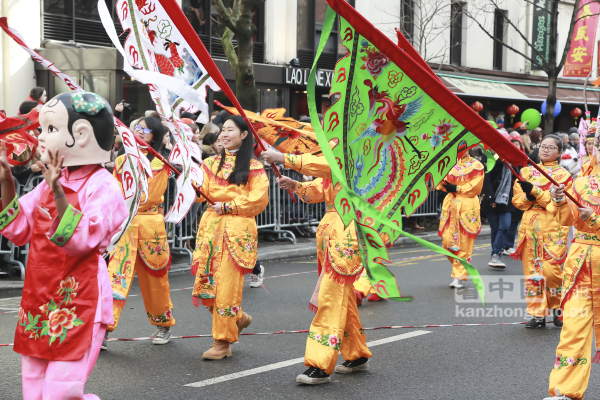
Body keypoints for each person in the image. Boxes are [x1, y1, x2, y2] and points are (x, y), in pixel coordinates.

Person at [0, 91, 127, 399]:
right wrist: (6, 181)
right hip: (40, 298)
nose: (41, 137)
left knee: (62, 390)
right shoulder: (47, 182)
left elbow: (83, 240)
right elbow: (18, 230)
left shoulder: (104, 185)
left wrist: (58, 192)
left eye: (51, 129)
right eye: (42, 129)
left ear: (81, 135)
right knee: (33, 386)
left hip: (81, 298)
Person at [262, 145, 372, 385]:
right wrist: (296, 185)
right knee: (341, 295)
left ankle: (320, 364)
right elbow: (323, 187)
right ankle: (356, 353)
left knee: (330, 296)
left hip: (348, 230)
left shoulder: (363, 151)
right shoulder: (343, 150)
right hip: (333, 230)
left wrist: (284, 157)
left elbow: (331, 167)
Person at [191, 115, 269, 360]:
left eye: (230, 130)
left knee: (226, 288)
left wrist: (227, 207)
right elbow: (201, 195)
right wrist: (190, 184)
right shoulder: (209, 163)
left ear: (244, 135)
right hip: (210, 231)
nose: (224, 134)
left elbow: (258, 200)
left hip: (236, 232)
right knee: (207, 286)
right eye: (222, 130)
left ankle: (222, 342)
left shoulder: (254, 167)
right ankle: (238, 318)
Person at [105, 117, 176, 347]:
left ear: (155, 133)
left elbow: (149, 196)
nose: (140, 131)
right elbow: (116, 190)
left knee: (155, 280)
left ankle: (164, 325)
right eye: (137, 128)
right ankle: (104, 329)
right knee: (114, 277)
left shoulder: (160, 162)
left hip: (149, 227)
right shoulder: (122, 159)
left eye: (145, 129)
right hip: (125, 226)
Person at [544, 134, 600, 400]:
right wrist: (558, 200)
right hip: (580, 264)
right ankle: (565, 390)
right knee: (573, 329)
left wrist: (597, 217)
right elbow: (568, 219)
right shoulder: (581, 184)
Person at [512, 135, 572, 329]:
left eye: (550, 147)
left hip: (554, 225)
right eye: (542, 146)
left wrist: (536, 193)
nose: (545, 150)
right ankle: (537, 314)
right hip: (530, 225)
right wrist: (529, 196)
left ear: (560, 152)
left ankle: (557, 308)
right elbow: (518, 201)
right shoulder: (526, 171)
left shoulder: (564, 175)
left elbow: (557, 203)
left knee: (551, 271)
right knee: (533, 271)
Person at [437, 143, 485, 288]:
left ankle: (458, 277)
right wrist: (444, 185)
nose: (461, 151)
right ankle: (461, 268)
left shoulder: (477, 165)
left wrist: (457, 188)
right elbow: (441, 182)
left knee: (463, 244)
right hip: (451, 204)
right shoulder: (449, 163)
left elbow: (475, 187)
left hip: (468, 205)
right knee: (447, 242)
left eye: (463, 147)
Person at [482, 133, 519, 269]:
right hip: (491, 197)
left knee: (505, 226)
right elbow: (485, 178)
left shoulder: (509, 155)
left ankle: (496, 253)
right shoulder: (487, 156)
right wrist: (490, 197)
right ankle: (495, 254)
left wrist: (510, 162)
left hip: (506, 197)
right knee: (495, 228)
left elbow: (516, 175)